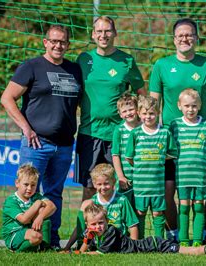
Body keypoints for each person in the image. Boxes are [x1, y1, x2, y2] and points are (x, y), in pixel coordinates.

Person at [1, 25, 82, 249]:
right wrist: (26, 128)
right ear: (45, 42)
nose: (58, 45)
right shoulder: (31, 67)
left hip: (65, 145)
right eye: (54, 41)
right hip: (36, 144)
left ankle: (51, 242)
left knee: (54, 195)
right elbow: (7, 98)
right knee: (29, 192)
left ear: (68, 44)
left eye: (63, 42)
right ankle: (25, 239)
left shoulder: (75, 70)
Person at [149, 18, 206, 241]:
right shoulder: (161, 65)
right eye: (181, 35)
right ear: (174, 39)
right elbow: (153, 104)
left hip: (202, 142)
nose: (185, 38)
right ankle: (174, 234)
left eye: (189, 34)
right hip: (171, 144)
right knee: (168, 191)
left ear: (196, 38)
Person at [75, 15, 145, 202]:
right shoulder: (83, 59)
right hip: (90, 133)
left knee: (121, 186)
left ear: (115, 33)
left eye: (107, 31)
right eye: (99, 31)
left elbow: (141, 93)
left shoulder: (126, 61)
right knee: (90, 188)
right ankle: (87, 231)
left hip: (119, 134)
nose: (103, 35)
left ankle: (120, 230)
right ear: (93, 34)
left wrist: (140, 121)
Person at [74, 204, 206, 255]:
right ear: (88, 224)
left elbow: (97, 254)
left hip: (153, 245)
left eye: (101, 222)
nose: (98, 227)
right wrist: (85, 241)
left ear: (107, 221)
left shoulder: (110, 231)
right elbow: (85, 248)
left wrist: (79, 254)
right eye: (94, 224)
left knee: (193, 251)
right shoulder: (93, 233)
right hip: (151, 245)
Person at [168, 89, 206, 246]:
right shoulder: (175, 125)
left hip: (199, 175)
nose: (190, 109)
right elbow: (167, 146)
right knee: (184, 207)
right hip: (183, 175)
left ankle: (198, 240)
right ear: (179, 106)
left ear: (199, 106)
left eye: (194, 106)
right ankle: (184, 240)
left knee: (199, 207)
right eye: (186, 106)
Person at [125, 95, 177, 239]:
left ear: (158, 113)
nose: (148, 116)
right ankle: (141, 242)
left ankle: (159, 242)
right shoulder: (135, 133)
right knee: (140, 212)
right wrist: (142, 165)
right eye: (145, 113)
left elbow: (173, 153)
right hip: (141, 184)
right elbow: (129, 157)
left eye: (152, 113)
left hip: (157, 184)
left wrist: (157, 159)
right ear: (139, 114)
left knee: (158, 213)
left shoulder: (165, 133)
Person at [64, 163, 139, 250]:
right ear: (94, 184)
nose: (103, 187)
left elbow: (133, 226)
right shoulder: (92, 202)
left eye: (106, 183)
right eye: (99, 184)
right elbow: (80, 227)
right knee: (85, 204)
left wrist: (133, 247)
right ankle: (83, 246)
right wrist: (67, 247)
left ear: (114, 182)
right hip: (96, 244)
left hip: (118, 243)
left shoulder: (122, 200)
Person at [1, 164, 56, 252]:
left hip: (29, 230)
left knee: (43, 211)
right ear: (17, 183)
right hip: (14, 234)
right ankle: (17, 251)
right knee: (36, 237)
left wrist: (40, 217)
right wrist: (37, 203)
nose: (29, 188)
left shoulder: (36, 196)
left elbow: (52, 206)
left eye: (33, 185)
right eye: (26, 184)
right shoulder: (11, 201)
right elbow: (24, 220)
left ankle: (44, 248)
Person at [111, 92, 141, 205]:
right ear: (120, 114)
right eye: (124, 111)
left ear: (137, 109)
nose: (128, 113)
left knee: (140, 209)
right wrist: (121, 177)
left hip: (142, 176)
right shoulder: (119, 130)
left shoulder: (145, 127)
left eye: (131, 109)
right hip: (126, 179)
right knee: (125, 207)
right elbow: (115, 155)